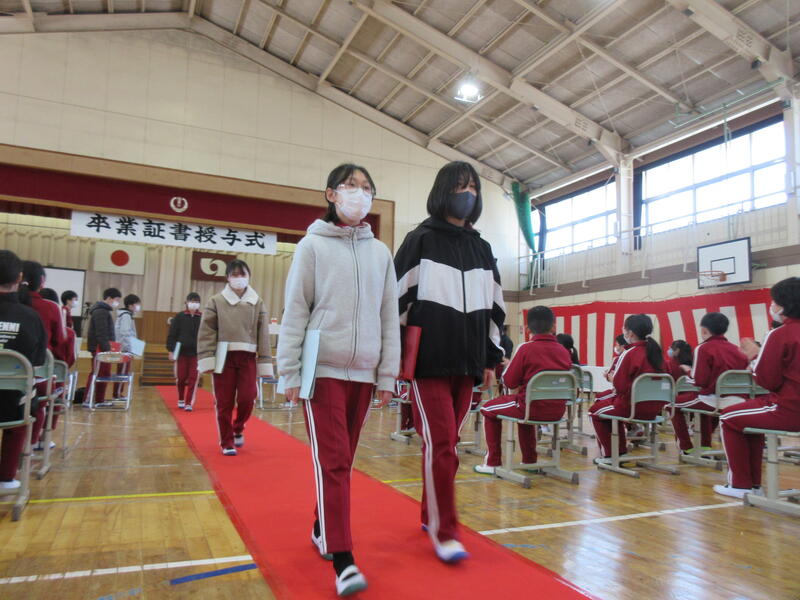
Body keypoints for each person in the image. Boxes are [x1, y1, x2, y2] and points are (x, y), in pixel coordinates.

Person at [278, 163, 400, 596]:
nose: (359, 194)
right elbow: (296, 309)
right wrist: (289, 371)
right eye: (351, 186)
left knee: (343, 461)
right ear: (332, 194)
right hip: (323, 370)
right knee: (331, 461)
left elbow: (389, 316)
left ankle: (320, 526)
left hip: (364, 374)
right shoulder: (311, 246)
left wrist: (387, 375)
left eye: (367, 188)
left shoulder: (381, 253)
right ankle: (343, 558)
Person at [394, 160, 505, 564]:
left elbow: (495, 309)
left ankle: (430, 514)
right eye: (460, 186)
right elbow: (396, 302)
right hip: (428, 363)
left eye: (474, 187)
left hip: (469, 363)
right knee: (442, 444)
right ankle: (446, 532)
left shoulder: (482, 248)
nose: (468, 193)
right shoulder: (420, 240)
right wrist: (394, 360)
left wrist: (490, 359)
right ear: (443, 191)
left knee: (447, 445)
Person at [715, 278, 800, 497]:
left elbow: (766, 381)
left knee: (728, 417)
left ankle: (741, 485)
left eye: (774, 301)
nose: (772, 306)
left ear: (785, 305)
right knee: (746, 417)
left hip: (789, 409)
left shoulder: (780, 334)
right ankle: (751, 485)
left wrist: (754, 356)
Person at [476, 306, 571, 473]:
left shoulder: (526, 348)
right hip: (558, 411)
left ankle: (492, 463)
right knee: (525, 411)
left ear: (527, 329)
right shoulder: (564, 351)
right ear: (554, 327)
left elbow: (509, 381)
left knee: (487, 409)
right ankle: (529, 460)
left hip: (529, 408)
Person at [198, 260, 272, 455]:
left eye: (242, 274)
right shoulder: (216, 300)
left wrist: (265, 360)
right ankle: (226, 441)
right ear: (228, 278)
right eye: (235, 275)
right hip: (223, 357)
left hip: (248, 356)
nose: (239, 278)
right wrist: (207, 357)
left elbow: (263, 333)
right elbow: (206, 331)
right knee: (224, 402)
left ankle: (238, 427)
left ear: (249, 277)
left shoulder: (257, 301)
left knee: (248, 398)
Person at [589, 314, 667, 462]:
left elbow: (620, 387)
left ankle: (612, 455)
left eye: (624, 328)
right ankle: (621, 449)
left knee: (594, 411)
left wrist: (612, 379)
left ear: (630, 333)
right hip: (655, 409)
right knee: (606, 405)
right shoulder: (658, 354)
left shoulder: (629, 353)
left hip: (632, 408)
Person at [0, 250, 47, 489]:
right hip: (12, 400)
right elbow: (38, 360)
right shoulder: (31, 317)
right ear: (19, 278)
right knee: (23, 407)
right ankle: (6, 477)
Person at [677, 313, 749, 455]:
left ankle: (686, 447)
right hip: (739, 400)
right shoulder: (737, 349)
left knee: (671, 405)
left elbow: (700, 381)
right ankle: (705, 446)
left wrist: (688, 371)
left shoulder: (703, 348)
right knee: (702, 404)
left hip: (715, 399)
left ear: (704, 330)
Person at [20, 261, 67, 448]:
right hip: (38, 373)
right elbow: (60, 341)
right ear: (41, 281)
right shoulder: (50, 307)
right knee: (39, 402)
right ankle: (32, 444)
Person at [85, 288, 122, 407]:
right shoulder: (101, 311)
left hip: (103, 348)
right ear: (109, 298)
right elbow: (101, 334)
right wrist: (107, 350)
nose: (117, 302)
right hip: (100, 349)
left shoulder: (104, 311)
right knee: (98, 374)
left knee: (104, 374)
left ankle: (99, 399)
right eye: (116, 300)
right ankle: (89, 400)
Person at [167, 293, 203, 411]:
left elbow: (206, 336)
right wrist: (171, 350)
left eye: (196, 301)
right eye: (192, 301)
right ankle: (181, 398)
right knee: (181, 378)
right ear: (186, 302)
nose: (194, 303)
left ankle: (189, 403)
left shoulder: (202, 318)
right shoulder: (179, 316)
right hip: (181, 353)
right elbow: (172, 334)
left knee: (193, 378)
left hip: (196, 354)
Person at [113, 294, 140, 399]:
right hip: (124, 349)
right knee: (122, 372)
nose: (138, 306)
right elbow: (125, 333)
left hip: (124, 347)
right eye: (137, 304)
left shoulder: (127, 315)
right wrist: (130, 348)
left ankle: (118, 393)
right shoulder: (126, 316)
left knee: (123, 371)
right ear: (130, 305)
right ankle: (117, 394)